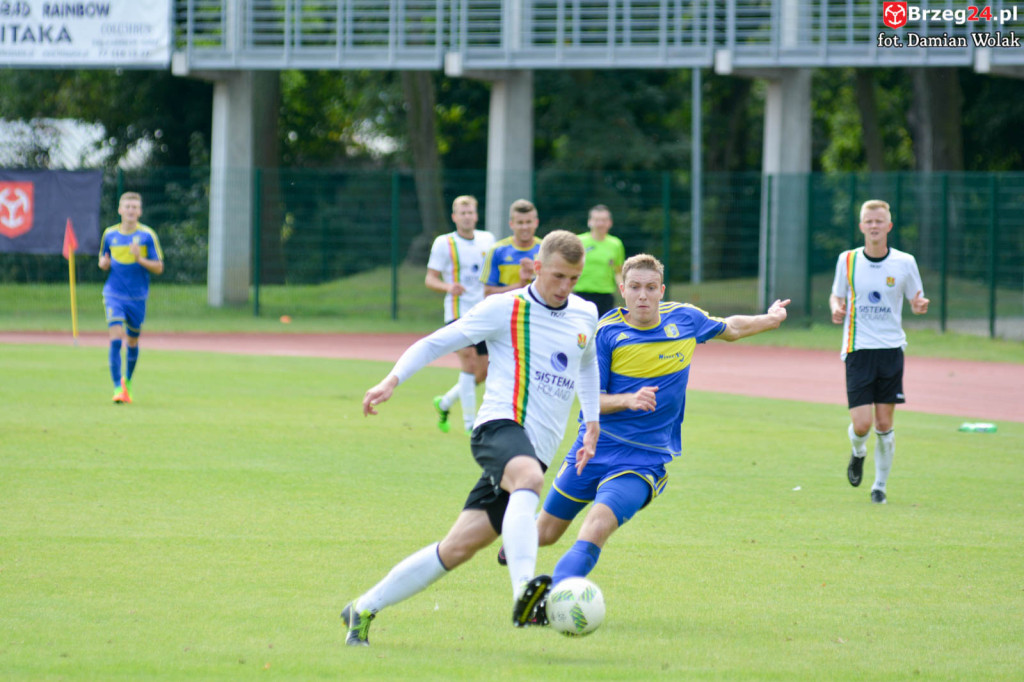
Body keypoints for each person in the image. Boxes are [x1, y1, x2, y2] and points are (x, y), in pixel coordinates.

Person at [344, 230, 601, 646]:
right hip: (498, 428)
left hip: (533, 452)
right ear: (537, 268)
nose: (565, 287)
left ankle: (363, 607)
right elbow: (436, 342)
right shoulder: (505, 308)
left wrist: (591, 422)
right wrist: (392, 379)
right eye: (557, 276)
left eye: (574, 279)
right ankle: (524, 593)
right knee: (530, 480)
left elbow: (587, 365)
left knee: (458, 548)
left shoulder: (585, 314)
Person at [498, 253, 790, 603]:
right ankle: (511, 535)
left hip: (642, 461)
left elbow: (733, 327)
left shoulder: (685, 319)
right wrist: (628, 399)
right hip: (593, 449)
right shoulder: (605, 334)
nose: (643, 296)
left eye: (651, 288)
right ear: (622, 290)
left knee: (597, 526)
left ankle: (553, 598)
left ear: (661, 291)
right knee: (544, 532)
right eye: (635, 287)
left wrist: (771, 320)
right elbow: (589, 398)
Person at [829, 199, 929, 505]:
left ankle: (880, 488)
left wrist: (919, 304)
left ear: (889, 226)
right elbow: (836, 294)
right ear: (861, 226)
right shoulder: (847, 260)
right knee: (862, 425)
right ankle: (858, 452)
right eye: (868, 221)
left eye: (879, 221)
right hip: (858, 349)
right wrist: (836, 308)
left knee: (885, 424)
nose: (874, 226)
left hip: (890, 350)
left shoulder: (904, 262)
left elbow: (917, 296)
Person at [425, 195, 496, 434]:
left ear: (476, 215)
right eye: (461, 213)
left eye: (470, 212)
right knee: (468, 361)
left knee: (483, 371)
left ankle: (444, 402)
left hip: (484, 313)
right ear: (454, 217)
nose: (466, 217)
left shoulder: (488, 239)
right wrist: (448, 287)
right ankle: (470, 425)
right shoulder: (443, 243)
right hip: (458, 312)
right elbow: (430, 279)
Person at [98, 192, 164, 404]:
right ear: (120, 210)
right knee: (116, 339)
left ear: (140, 211)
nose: (131, 211)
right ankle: (118, 387)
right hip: (113, 293)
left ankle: (128, 381)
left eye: (135, 207)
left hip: (137, 297)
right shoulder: (109, 234)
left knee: (133, 341)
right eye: (127, 206)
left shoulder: (147, 236)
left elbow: (159, 267)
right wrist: (103, 264)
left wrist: (139, 258)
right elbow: (103, 258)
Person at [482, 198, 542, 296]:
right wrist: (520, 285)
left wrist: (537, 272)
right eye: (520, 223)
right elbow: (487, 293)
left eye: (528, 222)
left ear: (536, 223)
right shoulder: (496, 251)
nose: (524, 227)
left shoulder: (545, 249)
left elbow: (556, 288)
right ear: (511, 224)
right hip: (506, 310)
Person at [574, 204, 625, 317]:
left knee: (602, 330)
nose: (600, 224)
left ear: (609, 223)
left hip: (605, 296)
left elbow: (618, 271)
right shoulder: (578, 241)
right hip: (582, 294)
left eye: (604, 220)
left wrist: (624, 290)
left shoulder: (616, 244)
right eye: (597, 220)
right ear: (589, 222)